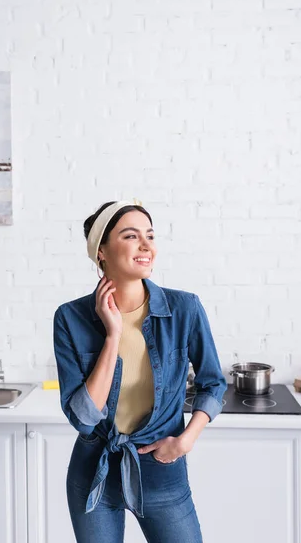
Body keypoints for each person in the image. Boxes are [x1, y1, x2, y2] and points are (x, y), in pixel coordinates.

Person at [53, 199, 227, 543]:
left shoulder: (185, 309)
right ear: (101, 251)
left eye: (150, 235)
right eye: (131, 236)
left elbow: (213, 384)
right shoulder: (70, 318)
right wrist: (113, 335)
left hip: (162, 468)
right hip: (94, 474)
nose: (147, 246)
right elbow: (85, 418)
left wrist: (185, 441)